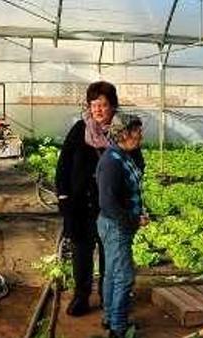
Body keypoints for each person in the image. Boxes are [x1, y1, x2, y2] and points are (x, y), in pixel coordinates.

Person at [55, 81, 144, 317]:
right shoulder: (79, 130)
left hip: (110, 205)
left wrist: (131, 202)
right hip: (80, 205)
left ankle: (109, 297)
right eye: (93, 104)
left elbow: (137, 165)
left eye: (103, 105)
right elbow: (63, 165)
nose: (97, 109)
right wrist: (63, 197)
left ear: (112, 106)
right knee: (81, 251)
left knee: (110, 253)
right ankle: (81, 296)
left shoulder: (122, 132)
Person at [96, 113, 147, 338]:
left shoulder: (126, 155)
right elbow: (108, 204)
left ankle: (109, 317)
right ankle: (118, 329)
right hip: (115, 226)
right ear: (124, 133)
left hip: (119, 224)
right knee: (124, 277)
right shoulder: (111, 162)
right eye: (137, 131)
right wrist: (134, 219)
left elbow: (134, 181)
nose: (141, 134)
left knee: (112, 274)